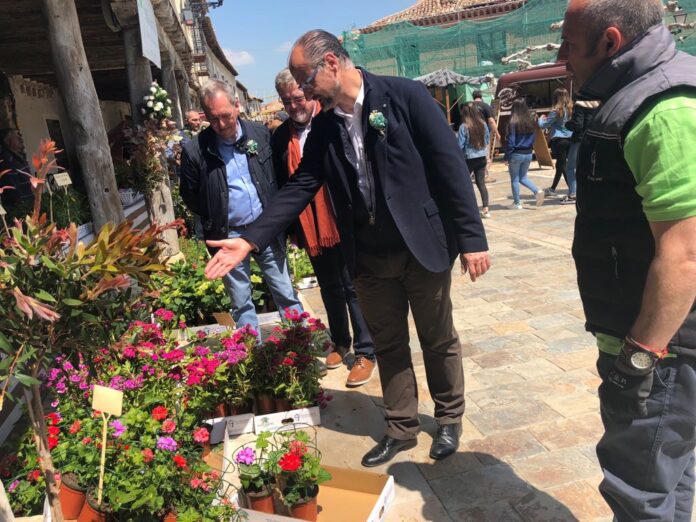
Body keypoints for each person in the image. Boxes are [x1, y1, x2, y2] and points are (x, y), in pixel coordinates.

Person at [204, 30, 490, 467]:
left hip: (422, 246)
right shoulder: (324, 125)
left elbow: (448, 167)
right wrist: (248, 240)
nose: (299, 88)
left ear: (332, 64)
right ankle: (401, 427)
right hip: (369, 254)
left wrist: (471, 239)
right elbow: (300, 186)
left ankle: (449, 417)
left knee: (437, 338)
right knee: (389, 343)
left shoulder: (406, 97)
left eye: (304, 76)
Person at [561, 1, 696, 520]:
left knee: (639, 490)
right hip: (661, 345)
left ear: (610, 42)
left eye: (571, 44)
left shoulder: (662, 109)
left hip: (663, 351)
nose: (562, 56)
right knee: (669, 474)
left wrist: (637, 361)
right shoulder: (644, 93)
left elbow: (684, 254)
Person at [271, 68, 376, 387]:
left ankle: (366, 351)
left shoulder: (331, 122)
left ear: (309, 95)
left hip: (340, 218)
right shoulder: (279, 137)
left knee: (352, 286)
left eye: (298, 98)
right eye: (286, 101)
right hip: (309, 226)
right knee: (328, 285)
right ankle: (340, 342)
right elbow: (284, 183)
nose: (293, 106)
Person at [179, 79, 303, 333]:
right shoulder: (195, 151)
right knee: (241, 301)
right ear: (205, 116)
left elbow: (278, 178)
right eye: (214, 119)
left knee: (284, 290)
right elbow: (190, 195)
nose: (222, 125)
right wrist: (214, 214)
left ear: (237, 105)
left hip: (265, 228)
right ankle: (254, 355)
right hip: (228, 233)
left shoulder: (260, 134)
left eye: (226, 116)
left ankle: (300, 340)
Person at [505, 99, 544, 209]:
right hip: (528, 152)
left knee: (515, 179)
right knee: (523, 177)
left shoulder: (513, 121)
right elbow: (534, 137)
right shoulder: (531, 121)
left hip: (516, 153)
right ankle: (537, 190)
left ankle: (517, 203)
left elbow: (511, 141)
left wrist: (507, 156)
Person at [562, 98, 599, 204]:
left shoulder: (579, 105)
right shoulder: (597, 104)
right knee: (588, 166)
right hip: (592, 138)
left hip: (579, 139)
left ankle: (573, 194)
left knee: (571, 167)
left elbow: (578, 125)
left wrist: (567, 124)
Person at [458, 103, 491, 218]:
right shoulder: (483, 124)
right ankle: (486, 209)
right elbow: (487, 140)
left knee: (465, 183)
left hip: (468, 158)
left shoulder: (464, 126)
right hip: (482, 157)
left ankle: (469, 208)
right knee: (481, 183)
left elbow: (460, 145)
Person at [538, 88, 573, 196]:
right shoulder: (572, 109)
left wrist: (541, 118)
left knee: (563, 166)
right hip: (570, 139)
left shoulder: (556, 111)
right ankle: (552, 189)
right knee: (561, 165)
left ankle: (572, 191)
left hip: (558, 140)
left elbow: (543, 125)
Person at [0, 129, 33, 218]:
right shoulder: (6, 160)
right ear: (8, 141)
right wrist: (23, 208)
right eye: (16, 137)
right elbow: (13, 188)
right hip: (21, 210)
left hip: (30, 205)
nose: (20, 139)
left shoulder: (19, 156)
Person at [472, 89, 500, 184]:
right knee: (485, 155)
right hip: (483, 134)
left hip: (471, 133)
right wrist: (497, 132)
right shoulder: (485, 106)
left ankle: (475, 175)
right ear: (481, 97)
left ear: (473, 97)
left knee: (473, 154)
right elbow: (491, 121)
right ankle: (484, 176)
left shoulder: (468, 106)